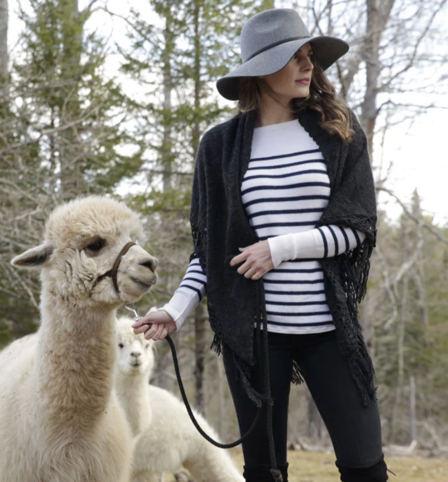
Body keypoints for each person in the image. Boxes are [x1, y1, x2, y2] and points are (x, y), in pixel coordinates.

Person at [132, 8, 389, 482]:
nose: (308, 65)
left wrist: (280, 247)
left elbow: (357, 227)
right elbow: (209, 253)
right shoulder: (219, 147)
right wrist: (175, 309)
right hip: (253, 338)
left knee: (365, 466)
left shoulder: (338, 132)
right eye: (295, 57)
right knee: (265, 473)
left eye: (309, 55)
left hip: (329, 330)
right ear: (261, 69)